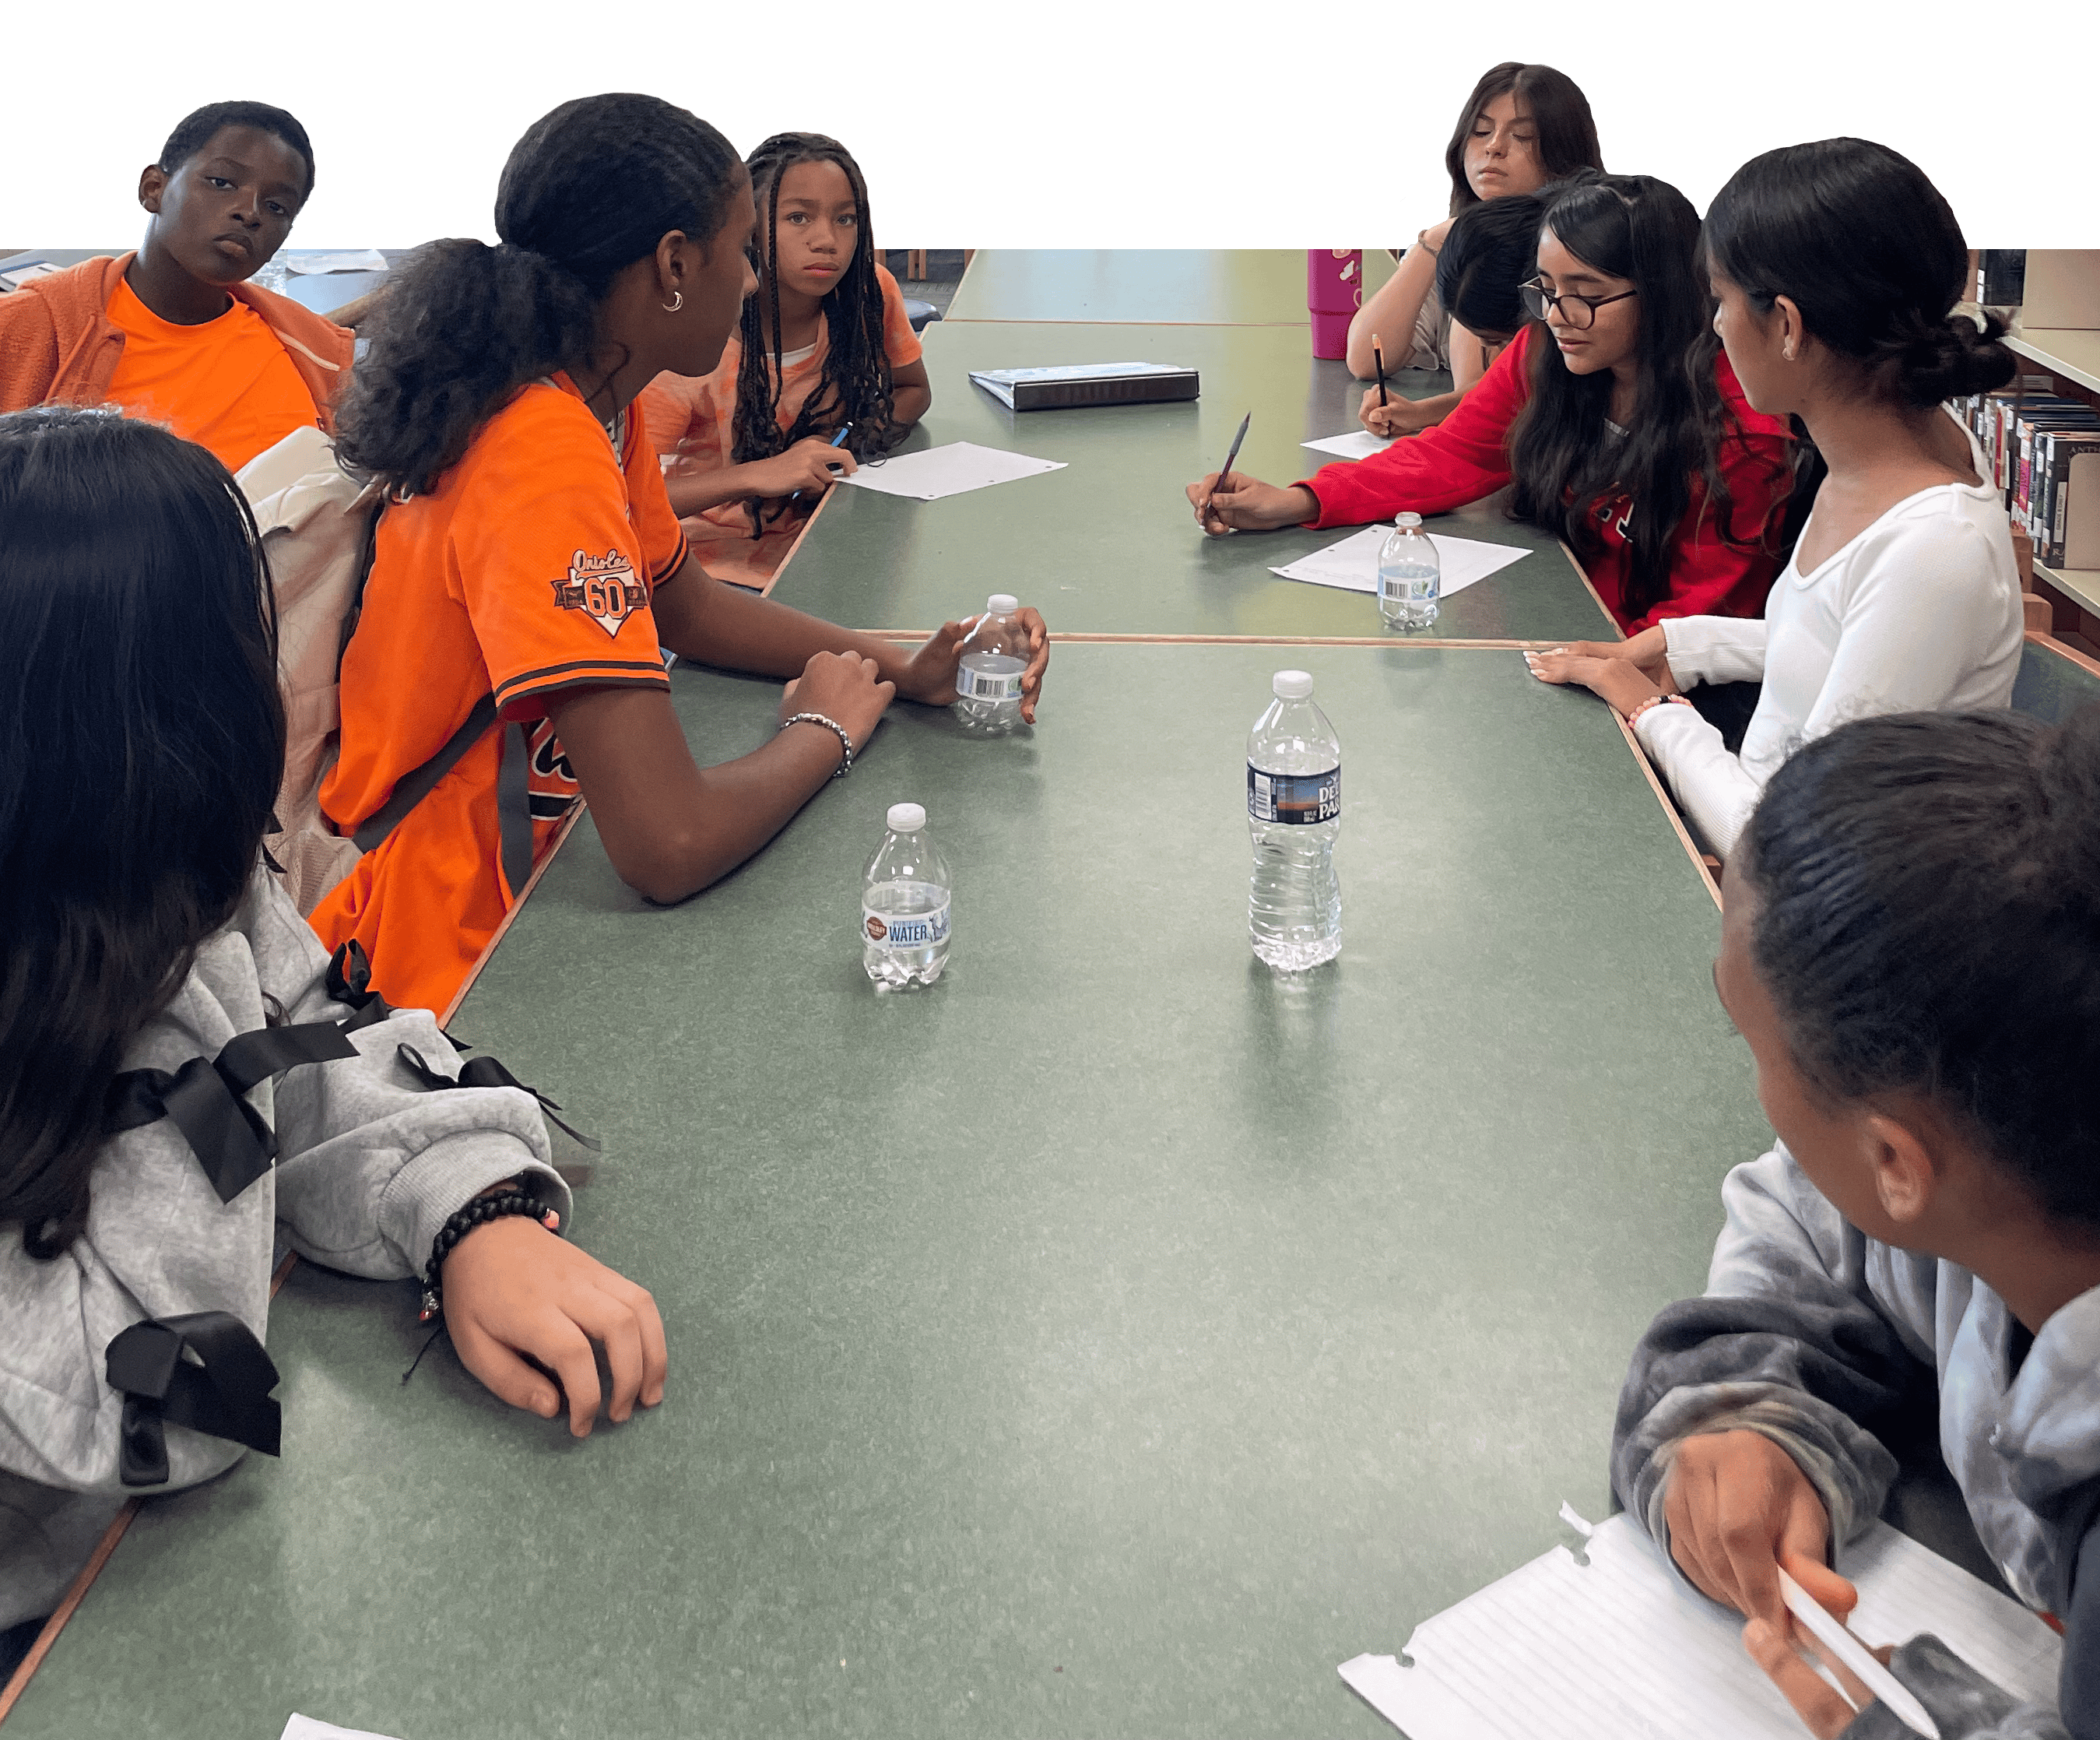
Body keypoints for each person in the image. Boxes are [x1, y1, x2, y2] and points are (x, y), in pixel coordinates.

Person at [0, 406, 666, 1645]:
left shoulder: (179, 881)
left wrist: (466, 1204)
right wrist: (182, 1017)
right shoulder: (163, 923)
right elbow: (151, 1385)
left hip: (156, 1567)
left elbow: (307, 1031)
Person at [313, 93, 1048, 1016]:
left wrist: (901, 667)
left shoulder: (592, 408)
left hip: (527, 870)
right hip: (458, 954)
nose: (749, 280)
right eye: (741, 247)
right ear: (671, 265)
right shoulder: (541, 456)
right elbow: (668, 843)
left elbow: (687, 608)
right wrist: (822, 729)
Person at [1614, 706, 2100, 1740]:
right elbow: (1804, 1215)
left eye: (1753, 1043)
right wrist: (1750, 1407)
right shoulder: (2017, 1175)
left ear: (1894, 1160)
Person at [1524, 139, 2022, 859]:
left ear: (1787, 326)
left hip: (1821, 926)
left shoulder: (1933, 548)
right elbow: (1836, 640)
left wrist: (1651, 710)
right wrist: (1685, 646)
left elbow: (1786, 848)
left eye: (1721, 302)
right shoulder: (1883, 449)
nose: (1715, 327)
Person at [1189, 173, 1800, 635]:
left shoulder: (1743, 433)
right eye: (1546, 289)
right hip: (1560, 633)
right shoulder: (1548, 354)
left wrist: (1583, 667)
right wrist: (1298, 500)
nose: (1557, 316)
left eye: (1586, 295)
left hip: (1637, 682)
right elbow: (1447, 456)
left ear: (1663, 294)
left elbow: (1698, 628)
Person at [636, 132, 932, 589]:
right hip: (711, 572)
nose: (827, 240)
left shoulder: (868, 295)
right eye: (798, 217)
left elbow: (912, 389)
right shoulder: (693, 341)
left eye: (846, 219)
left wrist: (848, 447)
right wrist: (759, 475)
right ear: (750, 228)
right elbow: (628, 502)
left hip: (827, 538)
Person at [0, 101, 353, 473]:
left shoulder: (314, 351)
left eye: (277, 206)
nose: (250, 212)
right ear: (154, 188)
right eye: (221, 182)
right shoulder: (34, 329)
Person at [1345, 64, 1602, 438]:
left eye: (1524, 136)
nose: (1494, 147)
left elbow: (1513, 392)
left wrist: (1425, 412)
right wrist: (1434, 243)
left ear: (1564, 155)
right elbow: (1366, 360)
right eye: (1481, 131)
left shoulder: (1576, 261)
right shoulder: (1458, 247)